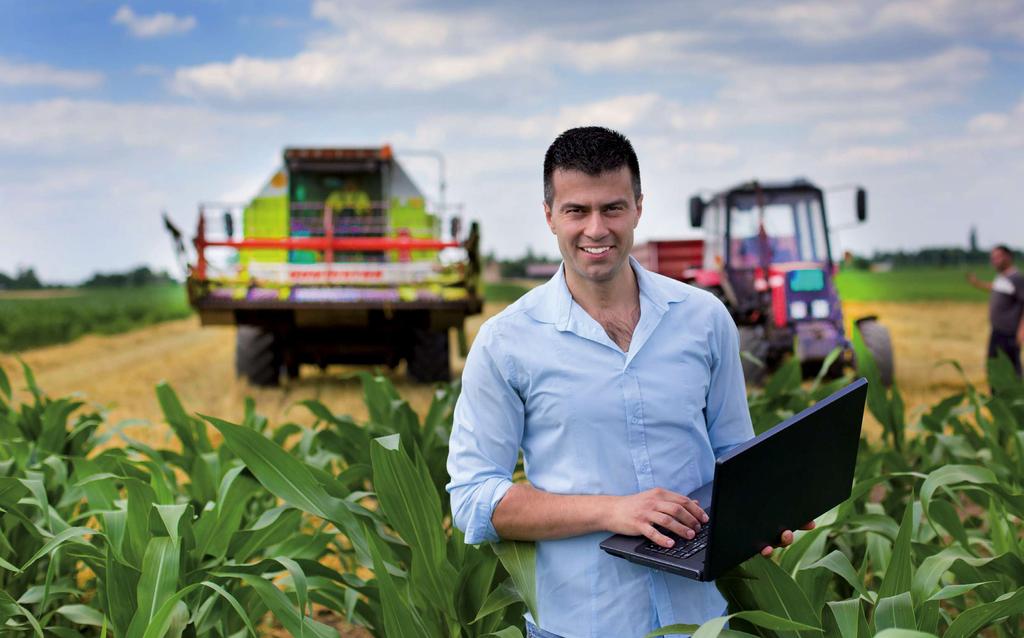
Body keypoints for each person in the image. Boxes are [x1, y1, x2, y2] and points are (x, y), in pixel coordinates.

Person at [446, 127, 807, 638]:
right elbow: (473, 499)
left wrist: (764, 514)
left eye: (613, 208)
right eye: (576, 211)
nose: (596, 228)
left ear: (638, 207)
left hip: (699, 619)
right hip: (578, 624)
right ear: (549, 215)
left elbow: (733, 454)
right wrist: (614, 510)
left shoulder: (703, 319)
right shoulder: (506, 343)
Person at [967, 245, 1024, 376]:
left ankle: (1017, 396)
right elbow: (996, 288)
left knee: (1012, 370)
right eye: (992, 258)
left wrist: (1022, 331)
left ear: (1008, 257)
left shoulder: (1017, 278)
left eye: (997, 257)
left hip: (1010, 334)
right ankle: (996, 396)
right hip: (997, 331)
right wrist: (978, 283)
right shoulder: (1002, 277)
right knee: (994, 367)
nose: (993, 260)